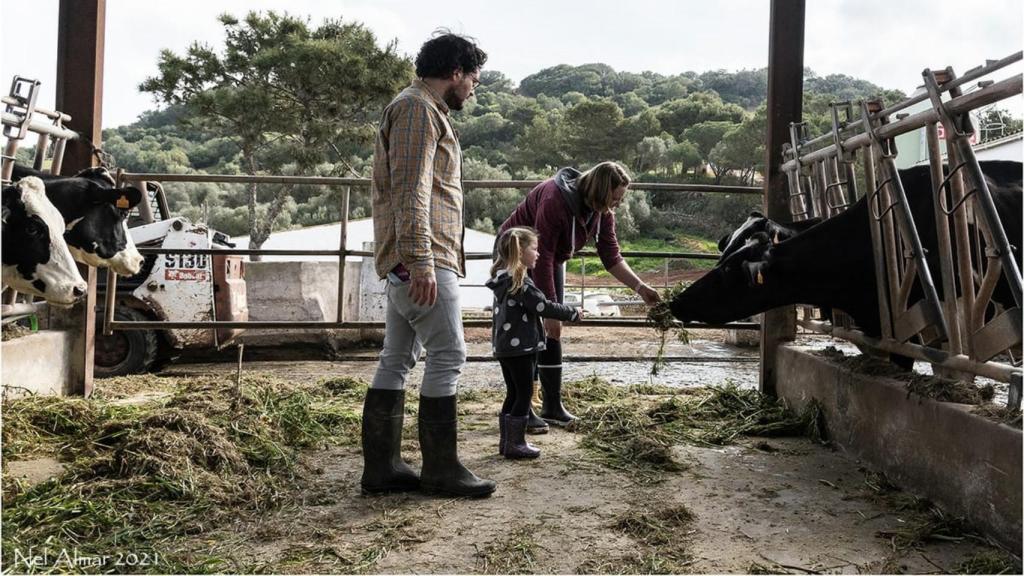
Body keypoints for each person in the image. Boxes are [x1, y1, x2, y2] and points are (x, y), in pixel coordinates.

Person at [361, 32, 495, 498]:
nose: (474, 88)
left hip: (409, 256)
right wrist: (420, 261)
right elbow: (411, 189)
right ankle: (441, 470)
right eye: (473, 78)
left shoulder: (418, 107)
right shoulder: (418, 109)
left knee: (396, 359)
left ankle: (383, 468)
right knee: (449, 354)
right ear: (455, 72)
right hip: (423, 256)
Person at [497, 162, 661, 432]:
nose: (617, 204)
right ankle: (522, 408)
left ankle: (552, 404)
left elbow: (611, 256)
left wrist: (641, 288)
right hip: (515, 255)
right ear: (599, 190)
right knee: (524, 329)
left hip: (549, 258)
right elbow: (543, 255)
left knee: (553, 332)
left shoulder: (602, 210)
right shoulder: (553, 199)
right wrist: (549, 311)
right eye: (615, 198)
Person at [486, 227, 581, 459]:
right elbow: (543, 306)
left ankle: (506, 441)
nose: (538, 254)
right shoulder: (520, 282)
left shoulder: (502, 280)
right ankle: (516, 443)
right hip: (522, 348)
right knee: (524, 393)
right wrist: (572, 313)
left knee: (512, 393)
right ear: (520, 251)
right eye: (534, 249)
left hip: (505, 348)